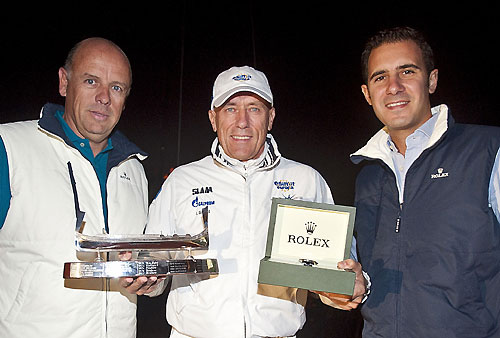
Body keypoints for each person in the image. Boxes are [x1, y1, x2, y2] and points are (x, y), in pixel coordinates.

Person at [122, 65, 367, 337]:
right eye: (230, 108)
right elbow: (156, 262)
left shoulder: (306, 180)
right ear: (213, 119)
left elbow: (337, 274)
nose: (242, 121)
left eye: (254, 108)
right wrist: (146, 279)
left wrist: (351, 285)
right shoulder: (182, 180)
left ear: (270, 117)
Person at [351, 26, 500, 338]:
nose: (394, 86)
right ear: (367, 93)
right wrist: (355, 286)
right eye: (380, 77)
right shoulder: (368, 174)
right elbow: (375, 275)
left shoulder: (488, 150)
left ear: (431, 80)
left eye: (407, 71)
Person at [0, 38, 149, 338]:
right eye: (91, 81)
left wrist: (151, 279)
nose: (104, 97)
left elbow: (143, 261)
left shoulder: (135, 170)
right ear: (64, 82)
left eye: (117, 87)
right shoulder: (10, 148)